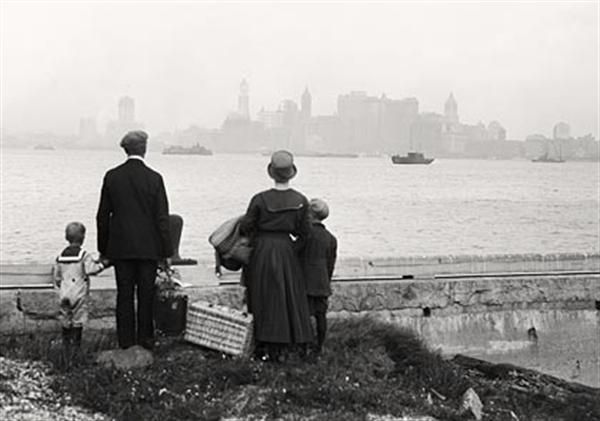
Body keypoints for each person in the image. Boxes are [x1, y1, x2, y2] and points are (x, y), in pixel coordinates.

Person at [96, 130, 173, 350]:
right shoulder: (155, 178)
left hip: (120, 247)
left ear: (126, 149)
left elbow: (102, 216)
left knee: (125, 295)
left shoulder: (112, 176)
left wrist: (104, 248)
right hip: (149, 248)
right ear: (144, 149)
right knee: (146, 295)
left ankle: (125, 342)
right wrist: (166, 252)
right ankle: (146, 341)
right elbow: (162, 219)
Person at [240, 150, 313, 360]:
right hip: (286, 250)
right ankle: (288, 343)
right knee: (288, 297)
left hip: (262, 250)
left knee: (261, 295)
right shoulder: (300, 200)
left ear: (271, 173)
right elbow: (305, 233)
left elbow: (246, 226)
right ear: (291, 173)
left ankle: (263, 343)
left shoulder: (260, 199)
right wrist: (291, 250)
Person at [53, 222, 107, 348]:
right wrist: (103, 264)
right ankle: (76, 346)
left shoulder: (60, 256)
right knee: (78, 319)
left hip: (64, 292)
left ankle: (66, 345)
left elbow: (56, 276)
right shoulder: (83, 255)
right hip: (79, 293)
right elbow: (91, 270)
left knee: (66, 319)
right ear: (83, 238)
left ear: (66, 237)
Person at [301, 198, 337, 354]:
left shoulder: (306, 234)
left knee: (304, 315)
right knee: (320, 315)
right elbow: (331, 263)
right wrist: (327, 281)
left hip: (305, 281)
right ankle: (319, 347)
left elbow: (295, 252)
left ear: (310, 214)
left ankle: (304, 347)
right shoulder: (330, 238)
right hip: (322, 282)